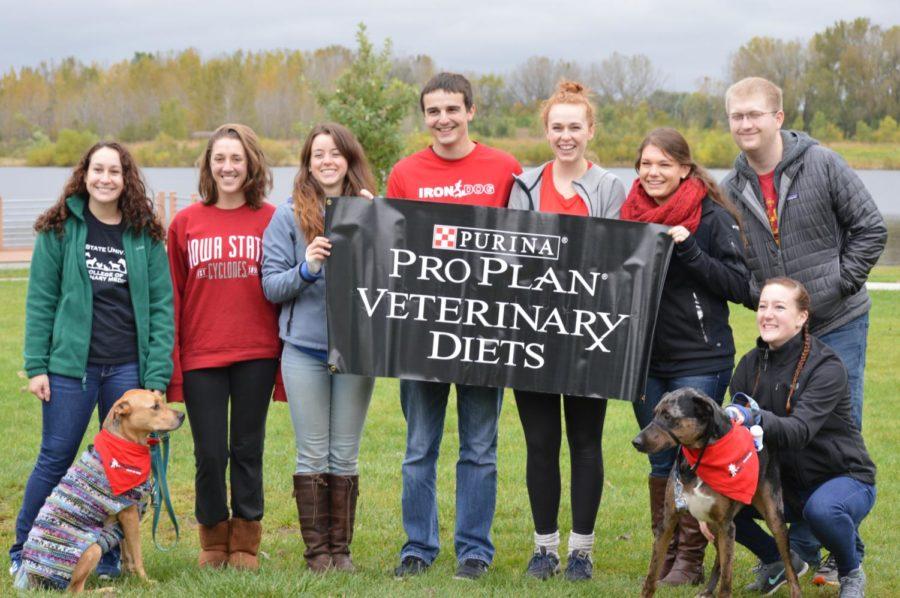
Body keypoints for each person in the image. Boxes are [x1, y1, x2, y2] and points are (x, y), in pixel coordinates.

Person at [722, 76, 886, 580]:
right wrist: (767, 302)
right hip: (781, 330)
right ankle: (802, 546)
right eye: (736, 116)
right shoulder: (732, 187)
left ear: (778, 117)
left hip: (838, 321)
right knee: (776, 432)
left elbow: (870, 229)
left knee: (834, 433)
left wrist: (830, 290)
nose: (746, 124)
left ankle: (835, 548)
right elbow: (740, 263)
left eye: (755, 114)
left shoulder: (822, 163)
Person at [12, 141, 173, 579]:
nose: (105, 178)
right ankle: (24, 552)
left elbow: (161, 307)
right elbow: (41, 301)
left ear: (126, 179)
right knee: (56, 456)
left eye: (115, 171)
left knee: (122, 470)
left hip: (126, 369)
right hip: (70, 369)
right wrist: (37, 366)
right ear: (85, 174)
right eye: (98, 169)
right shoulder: (60, 229)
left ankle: (108, 558)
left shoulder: (144, 234)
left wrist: (155, 376)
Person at [386, 72, 522, 581]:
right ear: (425, 117)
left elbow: (525, 245)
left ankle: (474, 551)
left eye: (451, 109)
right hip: (421, 332)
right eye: (433, 111)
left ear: (471, 112)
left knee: (479, 448)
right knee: (419, 446)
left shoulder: (504, 168)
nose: (443, 119)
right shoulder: (404, 172)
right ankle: (417, 546)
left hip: (485, 332)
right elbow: (394, 250)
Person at [621, 127, 750, 586]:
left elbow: (741, 287)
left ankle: (691, 561)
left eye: (663, 164)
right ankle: (669, 550)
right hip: (644, 359)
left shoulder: (712, 217)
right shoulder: (628, 215)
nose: (653, 172)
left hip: (699, 357)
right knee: (659, 459)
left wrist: (689, 249)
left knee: (698, 459)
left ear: (684, 168)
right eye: (646, 164)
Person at [506, 80, 625, 581]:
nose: (566, 135)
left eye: (575, 126)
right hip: (532, 334)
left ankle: (582, 550)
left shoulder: (609, 186)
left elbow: (616, 260)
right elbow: (509, 257)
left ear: (590, 129)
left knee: (585, 443)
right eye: (558, 127)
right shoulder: (525, 185)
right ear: (547, 131)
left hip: (586, 336)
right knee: (539, 444)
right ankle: (544, 548)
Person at [262, 123, 376, 573]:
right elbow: (271, 286)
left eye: (335, 153)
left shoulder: (372, 210)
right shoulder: (286, 215)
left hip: (357, 349)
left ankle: (340, 551)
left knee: (344, 452)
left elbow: (395, 278)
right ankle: (317, 555)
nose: (327, 161)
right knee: (312, 452)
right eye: (317, 154)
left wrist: (380, 227)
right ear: (308, 163)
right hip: (304, 350)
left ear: (349, 159)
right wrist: (306, 267)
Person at [167, 123, 281, 571]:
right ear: (208, 165)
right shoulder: (185, 223)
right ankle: (213, 538)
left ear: (251, 164)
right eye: (220, 159)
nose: (228, 167)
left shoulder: (273, 219)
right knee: (210, 452)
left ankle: (246, 543)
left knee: (247, 449)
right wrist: (174, 363)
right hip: (202, 356)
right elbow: (173, 294)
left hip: (256, 350)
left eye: (237, 159)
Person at [727, 277, 875, 598]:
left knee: (823, 510)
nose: (767, 314)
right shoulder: (748, 365)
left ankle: (851, 572)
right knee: (714, 501)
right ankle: (778, 560)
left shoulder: (826, 365)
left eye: (780, 307)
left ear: (802, 317)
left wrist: (754, 416)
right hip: (785, 486)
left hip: (843, 478)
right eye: (763, 306)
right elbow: (738, 440)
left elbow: (799, 431)